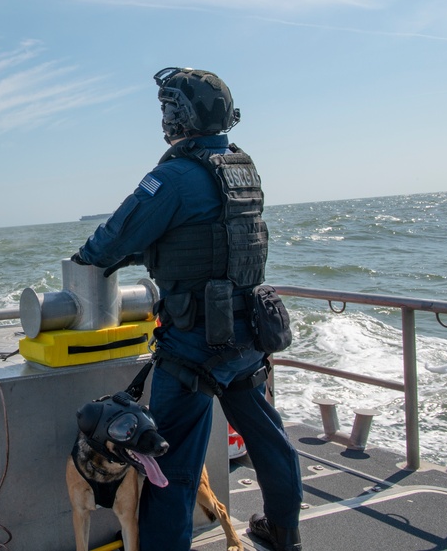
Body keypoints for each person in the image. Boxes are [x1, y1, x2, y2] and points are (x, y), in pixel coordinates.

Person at [71, 67, 304, 551]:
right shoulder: (244, 167)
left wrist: (84, 262)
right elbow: (208, 238)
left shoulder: (173, 176)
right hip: (248, 335)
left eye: (166, 108)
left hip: (194, 341)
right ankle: (284, 531)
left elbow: (114, 239)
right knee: (269, 439)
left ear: (180, 115)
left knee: (171, 464)